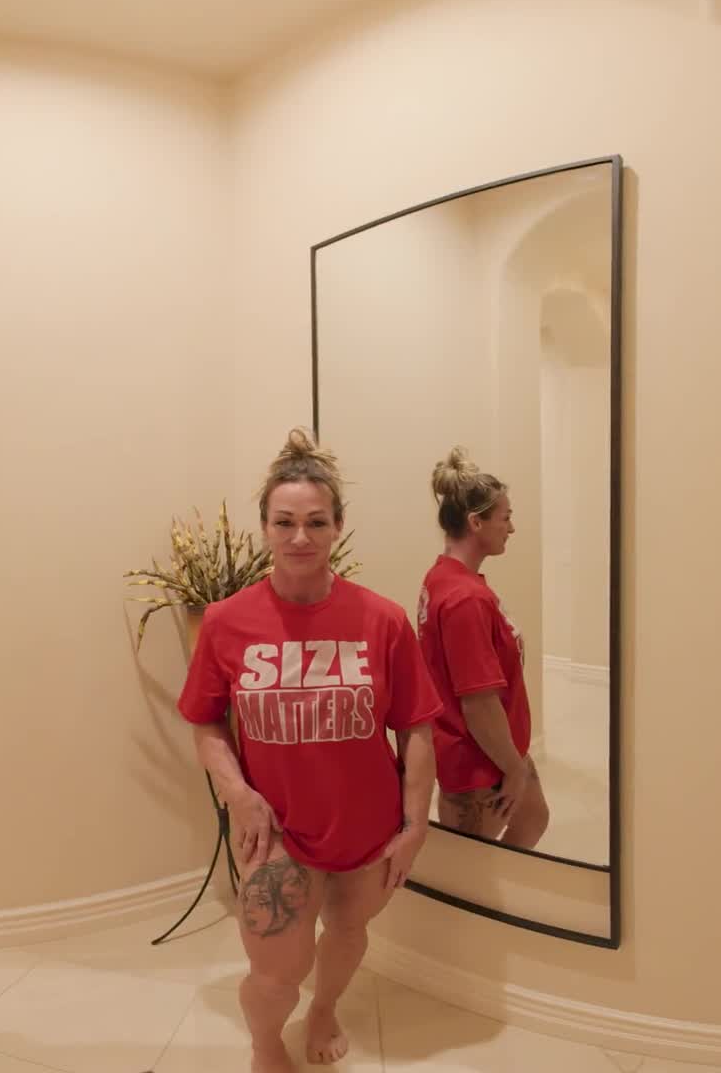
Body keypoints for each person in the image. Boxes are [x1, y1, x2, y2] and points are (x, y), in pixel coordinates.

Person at [178, 427, 438, 1072]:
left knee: (348, 931)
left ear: (338, 527)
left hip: (369, 827)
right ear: (265, 528)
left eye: (316, 522)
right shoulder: (226, 621)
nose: (300, 536)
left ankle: (324, 1009)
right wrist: (238, 795)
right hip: (276, 831)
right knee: (274, 972)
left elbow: (416, 729)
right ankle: (266, 1043)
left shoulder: (383, 620)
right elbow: (206, 723)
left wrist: (415, 827)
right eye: (285, 522)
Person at [414, 446, 550, 850]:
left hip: (498, 748)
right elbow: (478, 703)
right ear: (476, 522)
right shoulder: (465, 599)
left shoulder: (445, 577)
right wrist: (512, 768)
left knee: (534, 816)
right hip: (478, 759)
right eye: (505, 517)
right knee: (470, 863)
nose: (512, 528)